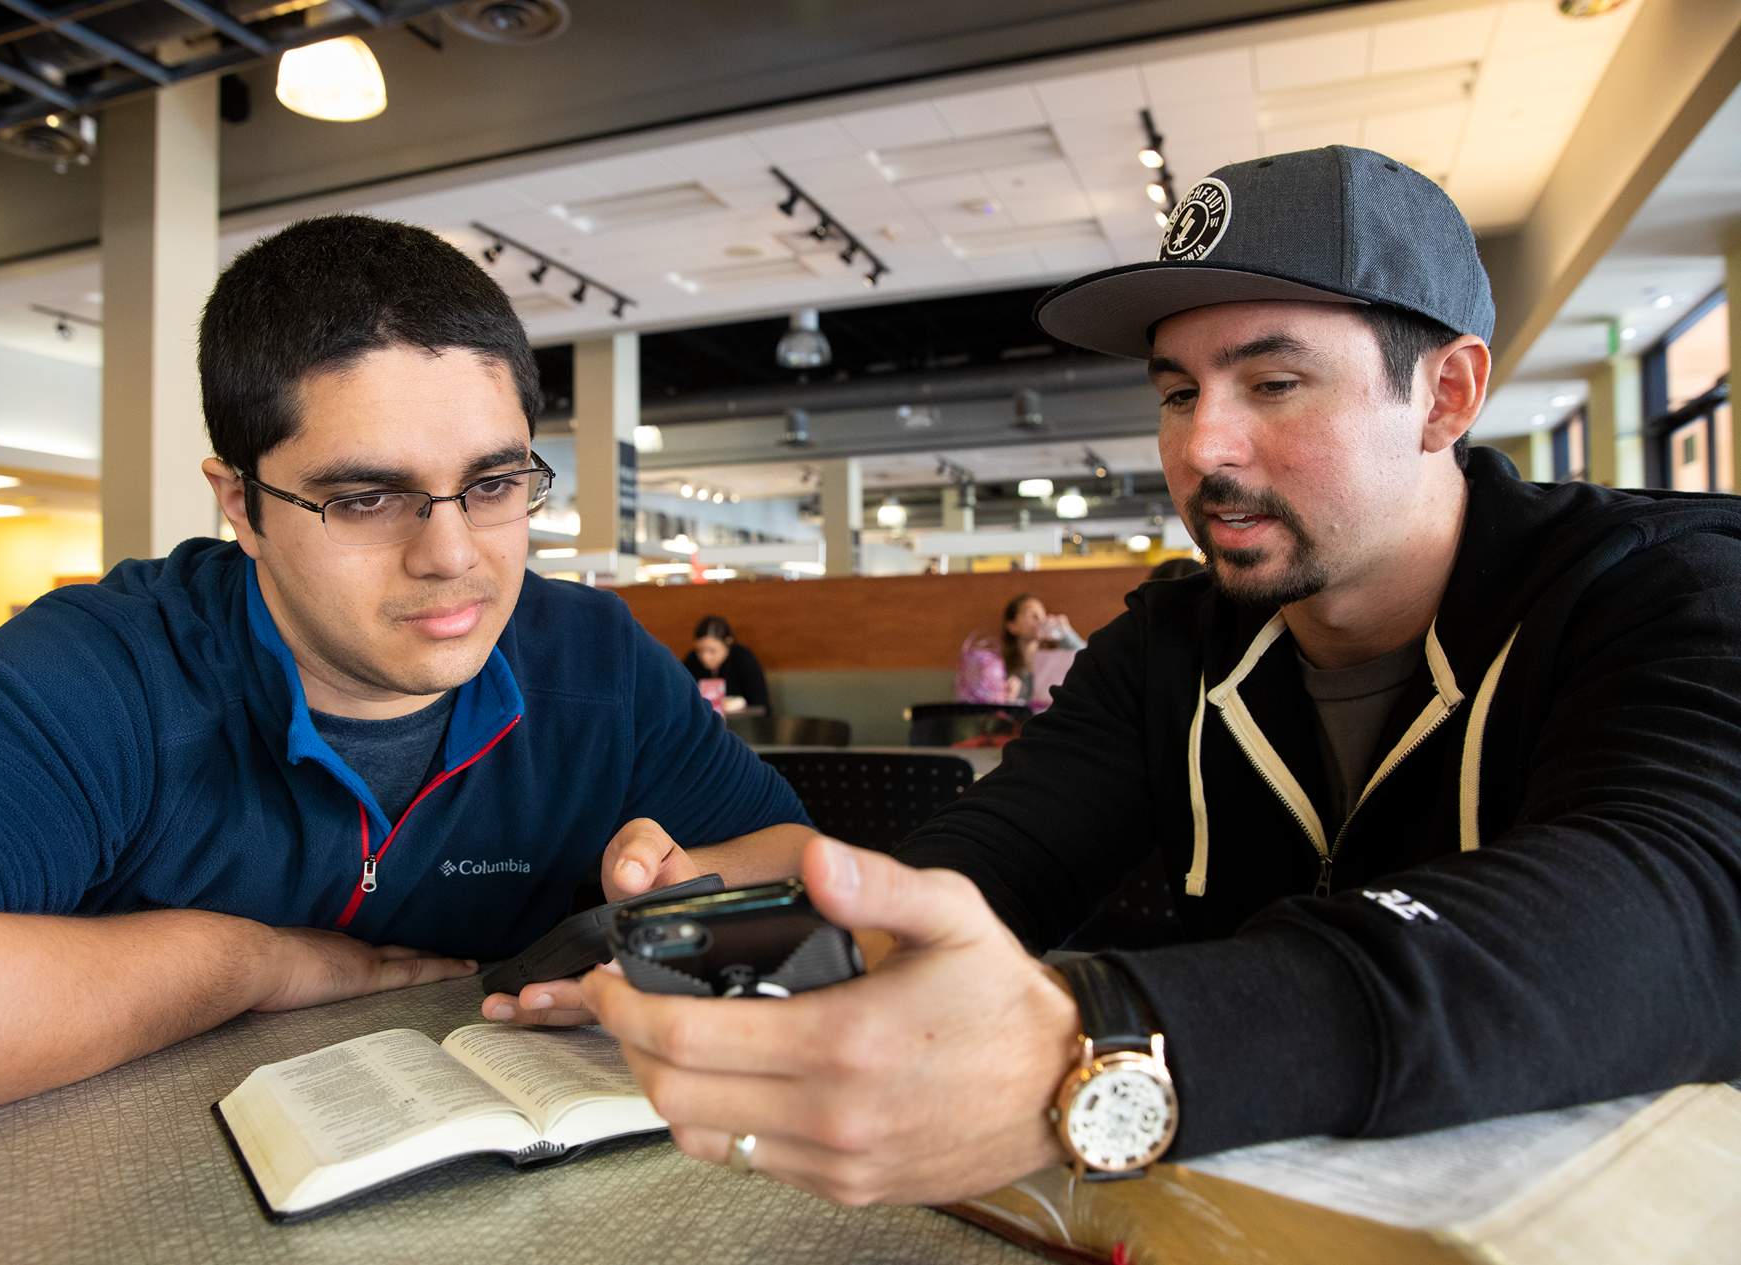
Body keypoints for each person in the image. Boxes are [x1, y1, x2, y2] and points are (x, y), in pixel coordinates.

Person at [581, 146, 1741, 1205]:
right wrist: (724, 944)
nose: (1201, 449)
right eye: (1178, 390)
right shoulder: (1171, 644)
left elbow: (1672, 906)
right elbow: (992, 865)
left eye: (1272, 382)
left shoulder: (1665, 589)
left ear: (1443, 394)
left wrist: (1104, 1041)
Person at [0, 215, 814, 1150]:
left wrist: (658, 931)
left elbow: (805, 887)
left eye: (494, 484)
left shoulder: (591, 659)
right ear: (242, 506)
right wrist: (247, 961)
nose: (452, 556)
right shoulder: (104, 671)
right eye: (364, 497)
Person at [955, 594, 1084, 711]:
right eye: (1033, 615)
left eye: (1042, 615)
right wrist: (1007, 699)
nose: (1041, 620)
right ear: (1012, 626)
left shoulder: (1054, 660)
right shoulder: (997, 666)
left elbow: (1086, 660)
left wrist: (1067, 634)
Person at [682, 615, 771, 713]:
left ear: (728, 642)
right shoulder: (692, 660)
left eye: (712, 651)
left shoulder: (743, 659)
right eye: (700, 650)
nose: (705, 657)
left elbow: (761, 706)